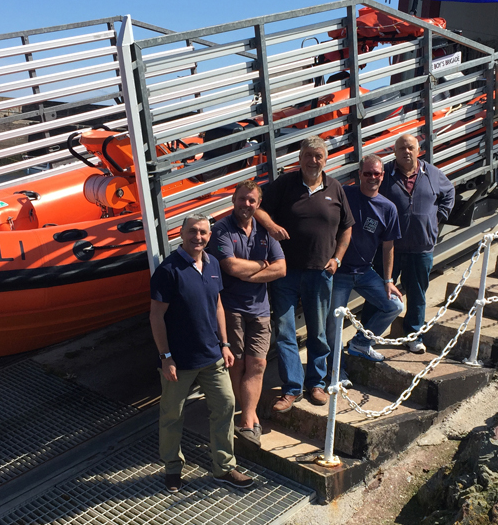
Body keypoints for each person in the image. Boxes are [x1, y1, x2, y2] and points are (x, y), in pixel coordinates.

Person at [149, 214, 254, 493]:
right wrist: (165, 356)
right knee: (172, 416)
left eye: (204, 233)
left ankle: (224, 467)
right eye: (193, 231)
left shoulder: (213, 264)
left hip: (213, 357)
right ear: (181, 233)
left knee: (225, 406)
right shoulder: (168, 270)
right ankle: (172, 468)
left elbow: (218, 305)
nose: (199, 237)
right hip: (179, 362)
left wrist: (225, 343)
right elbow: (156, 316)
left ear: (209, 236)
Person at [254, 136, 354, 411]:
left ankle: (316, 384)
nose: (313, 161)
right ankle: (291, 389)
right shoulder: (285, 184)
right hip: (284, 271)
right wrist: (272, 226)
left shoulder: (335, 188)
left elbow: (347, 227)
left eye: (318, 156)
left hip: (320, 271)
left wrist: (337, 259)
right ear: (299, 159)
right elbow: (258, 209)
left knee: (318, 331)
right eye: (308, 155)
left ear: (325, 159)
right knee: (285, 331)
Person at [209, 181, 286, 446]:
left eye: (252, 200)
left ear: (258, 203)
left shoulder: (264, 230)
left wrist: (250, 272)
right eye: (242, 199)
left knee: (259, 364)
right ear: (234, 200)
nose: (247, 204)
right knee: (237, 364)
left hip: (261, 310)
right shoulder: (221, 229)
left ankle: (248, 415)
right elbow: (230, 266)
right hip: (232, 309)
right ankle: (247, 420)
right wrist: (262, 267)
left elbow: (281, 269)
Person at [365, 134, 455, 353]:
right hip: (389, 248)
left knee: (417, 294)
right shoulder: (385, 175)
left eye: (410, 148)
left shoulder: (432, 173)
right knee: (378, 292)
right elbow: (368, 197)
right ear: (394, 152)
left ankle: (413, 335)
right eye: (401, 148)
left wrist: (438, 216)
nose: (406, 152)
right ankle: (368, 335)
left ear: (418, 150)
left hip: (421, 247)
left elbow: (450, 192)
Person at [326, 155, 404, 383]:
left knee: (394, 305)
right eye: (367, 173)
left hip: (364, 271)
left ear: (383, 176)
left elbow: (389, 247)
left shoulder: (388, 208)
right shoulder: (345, 194)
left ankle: (361, 343)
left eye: (376, 174)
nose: (372, 177)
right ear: (359, 174)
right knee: (334, 323)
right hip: (339, 272)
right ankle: (336, 371)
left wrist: (388, 280)